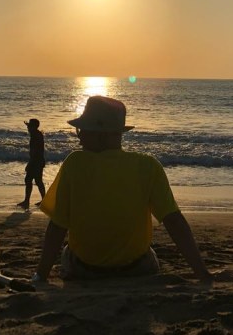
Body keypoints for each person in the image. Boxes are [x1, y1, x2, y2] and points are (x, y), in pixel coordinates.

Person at [32, 95, 211, 282]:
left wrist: (41, 275)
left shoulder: (75, 163)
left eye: (83, 130)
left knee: (68, 252)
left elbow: (58, 226)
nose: (80, 137)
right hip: (137, 269)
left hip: (85, 270)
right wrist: (201, 273)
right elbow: (174, 221)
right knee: (150, 254)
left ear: (101, 135)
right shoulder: (148, 166)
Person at [17, 118, 46, 210]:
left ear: (34, 127)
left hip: (36, 161)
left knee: (29, 180)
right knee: (38, 181)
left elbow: (35, 152)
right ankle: (43, 200)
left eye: (29, 126)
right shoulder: (37, 134)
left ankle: (27, 201)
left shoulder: (35, 136)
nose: (28, 128)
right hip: (39, 161)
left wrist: (30, 164)